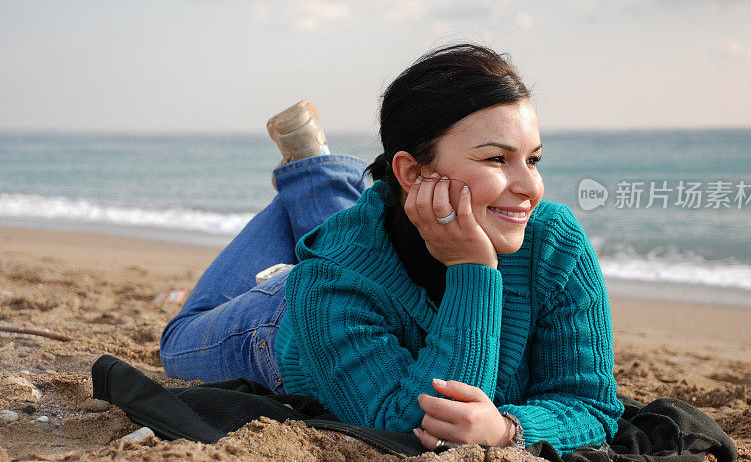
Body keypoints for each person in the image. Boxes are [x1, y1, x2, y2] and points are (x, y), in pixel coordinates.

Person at [160, 44, 624, 455]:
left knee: (351, 231)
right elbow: (406, 427)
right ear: (410, 172)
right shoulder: (328, 283)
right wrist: (472, 268)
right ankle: (309, 173)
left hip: (371, 248)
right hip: (282, 322)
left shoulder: (555, 243)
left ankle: (312, 170)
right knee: (176, 342)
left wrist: (506, 430)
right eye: (496, 158)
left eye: (533, 158)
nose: (531, 187)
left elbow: (591, 404)